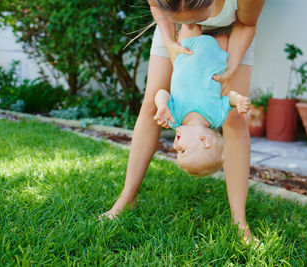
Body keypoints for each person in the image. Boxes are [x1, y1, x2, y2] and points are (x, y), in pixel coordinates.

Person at [100, 0, 265, 244]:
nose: (193, 24)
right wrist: (171, 43)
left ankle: (239, 220)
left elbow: (247, 22)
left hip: (234, 32)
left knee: (234, 121)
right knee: (150, 106)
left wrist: (230, 67)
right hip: (176, 36)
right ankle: (127, 198)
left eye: (197, 18)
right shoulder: (172, 15)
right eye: (183, 19)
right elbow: (158, 9)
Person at [154, 24, 251, 176]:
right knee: (223, 34)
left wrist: (161, 105)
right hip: (216, 56)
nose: (175, 146)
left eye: (176, 152)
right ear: (204, 141)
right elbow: (227, 100)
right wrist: (238, 100)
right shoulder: (217, 118)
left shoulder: (174, 119)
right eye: (182, 150)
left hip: (187, 50)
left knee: (191, 21)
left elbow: (161, 92)